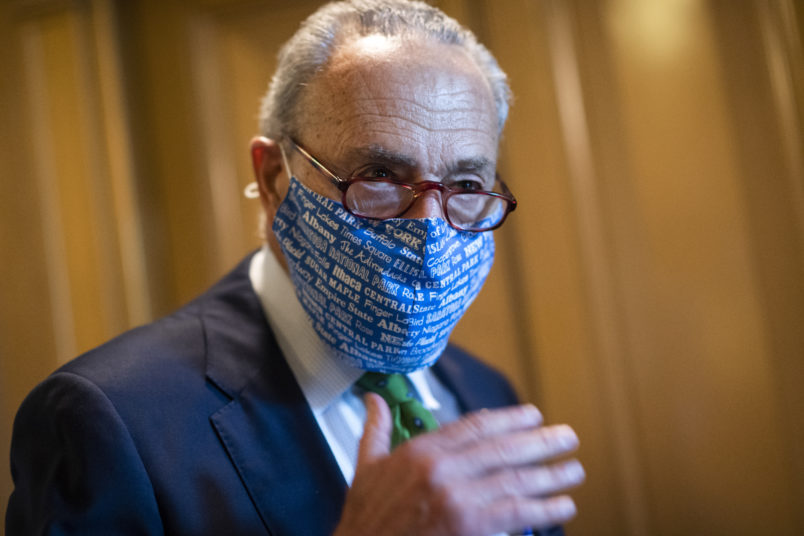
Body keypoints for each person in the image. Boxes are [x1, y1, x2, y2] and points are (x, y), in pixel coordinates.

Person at [6, 1, 584, 534]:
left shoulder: (488, 394)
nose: (430, 231)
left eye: (464, 185)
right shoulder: (111, 423)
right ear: (273, 178)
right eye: (380, 175)